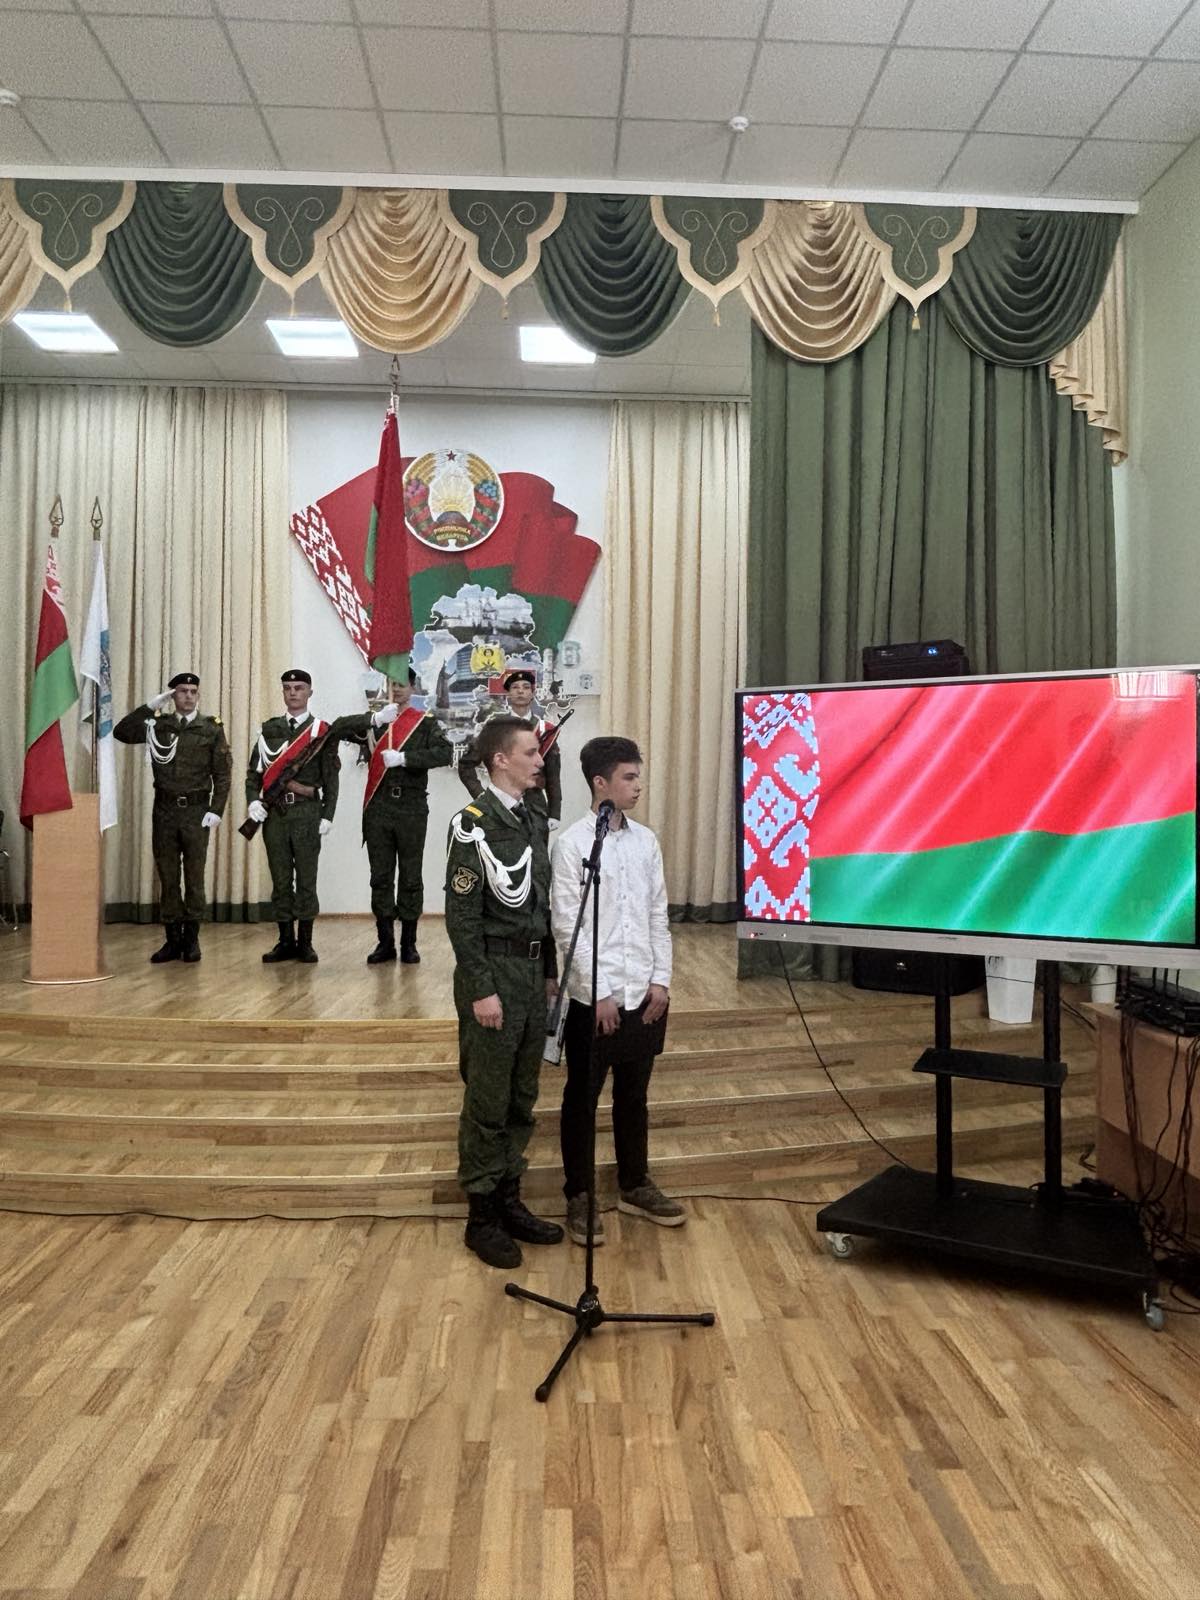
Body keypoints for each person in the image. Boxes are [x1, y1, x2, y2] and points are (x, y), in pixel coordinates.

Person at [551, 735, 683, 1247]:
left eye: (637, 776)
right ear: (600, 783)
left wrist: (661, 980)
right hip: (595, 997)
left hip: (643, 992)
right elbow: (569, 926)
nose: (637, 786)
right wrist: (599, 991)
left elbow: (656, 915)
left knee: (634, 1094)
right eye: (629, 777)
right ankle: (580, 1194)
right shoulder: (573, 844)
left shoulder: (645, 842)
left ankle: (635, 1183)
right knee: (581, 1098)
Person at [445, 714, 564, 1268]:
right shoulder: (472, 822)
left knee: (521, 1096)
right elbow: (462, 916)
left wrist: (550, 973)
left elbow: (543, 903)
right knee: (488, 1099)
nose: (540, 760)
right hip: (493, 973)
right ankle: (482, 1216)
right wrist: (480, 989)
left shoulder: (533, 815)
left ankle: (510, 1199)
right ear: (500, 760)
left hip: (531, 973)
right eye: (531, 752)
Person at [330, 668, 453, 965]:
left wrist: (406, 758)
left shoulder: (424, 723)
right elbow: (336, 729)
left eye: (402, 684)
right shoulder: (377, 722)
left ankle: (409, 943)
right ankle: (385, 942)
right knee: (381, 877)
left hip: (411, 807)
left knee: (410, 876)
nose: (396, 690)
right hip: (379, 808)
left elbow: (445, 753)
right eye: (392, 684)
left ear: (413, 687)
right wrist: (374, 720)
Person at [114, 671, 231, 964]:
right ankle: (172, 939)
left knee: (194, 877)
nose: (188, 696)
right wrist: (150, 707)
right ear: (173, 696)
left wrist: (216, 810)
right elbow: (122, 732)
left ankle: (191, 939)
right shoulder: (158, 724)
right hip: (165, 811)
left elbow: (222, 774)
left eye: (193, 691)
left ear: (198, 695)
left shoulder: (211, 728)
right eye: (182, 691)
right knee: (167, 877)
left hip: (196, 811)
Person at [245, 669, 339, 965]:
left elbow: (331, 777)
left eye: (299, 687)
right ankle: (285, 941)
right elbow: (254, 774)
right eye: (287, 688)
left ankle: (305, 943)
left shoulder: (320, 732)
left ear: (310, 692)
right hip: (276, 815)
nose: (293, 692)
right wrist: (252, 801)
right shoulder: (270, 729)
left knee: (306, 880)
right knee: (281, 880)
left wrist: (328, 814)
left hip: (307, 813)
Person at [457, 668, 562, 823]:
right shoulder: (496, 727)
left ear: (532, 694)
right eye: (515, 687)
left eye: (526, 687)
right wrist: (481, 795)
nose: (520, 691)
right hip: (500, 806)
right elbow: (466, 764)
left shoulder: (543, 730)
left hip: (535, 809)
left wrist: (554, 813)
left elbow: (553, 775)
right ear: (508, 695)